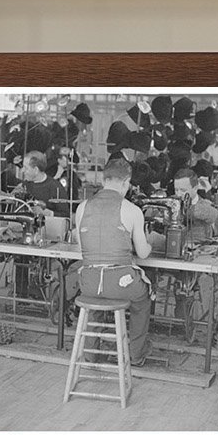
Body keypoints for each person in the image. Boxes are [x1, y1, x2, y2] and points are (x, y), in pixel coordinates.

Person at [73, 157, 153, 366]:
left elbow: (81, 247)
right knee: (142, 300)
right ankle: (136, 355)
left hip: (89, 283)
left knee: (99, 304)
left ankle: (92, 353)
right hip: (121, 282)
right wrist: (151, 242)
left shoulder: (82, 207)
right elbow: (143, 254)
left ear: (103, 179)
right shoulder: (132, 210)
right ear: (126, 182)